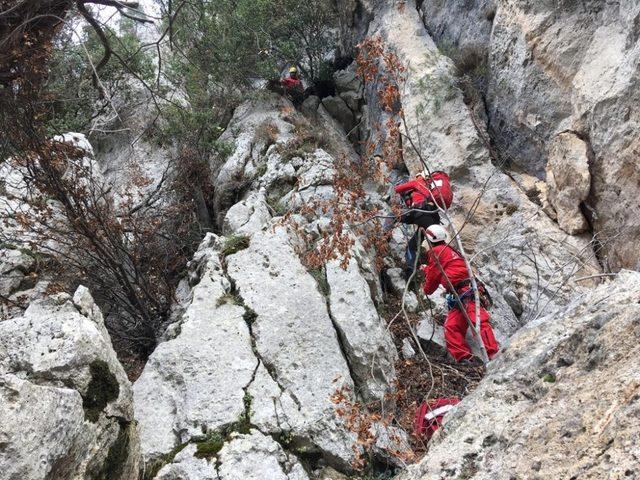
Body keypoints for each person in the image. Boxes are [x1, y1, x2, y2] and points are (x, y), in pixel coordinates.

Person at [420, 224, 499, 362]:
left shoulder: (436, 252)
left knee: (477, 321)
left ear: (430, 240)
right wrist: (427, 269)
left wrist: (425, 285)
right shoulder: (449, 250)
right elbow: (442, 269)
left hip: (465, 292)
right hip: (463, 293)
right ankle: (465, 358)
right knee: (452, 326)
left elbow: (432, 282)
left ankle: (493, 355)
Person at [394, 170, 452, 274]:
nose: (416, 177)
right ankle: (446, 265)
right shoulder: (431, 188)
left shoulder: (419, 182)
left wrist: (403, 187)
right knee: (434, 246)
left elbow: (397, 189)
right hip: (433, 219)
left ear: (422, 176)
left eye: (417, 176)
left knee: (393, 215)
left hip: (420, 213)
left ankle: (412, 269)